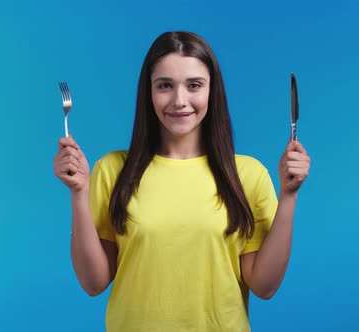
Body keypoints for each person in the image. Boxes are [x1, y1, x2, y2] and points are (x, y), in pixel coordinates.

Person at [53, 31, 311, 331]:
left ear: (212, 91)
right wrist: (78, 193)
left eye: (194, 85)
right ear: (148, 93)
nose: (180, 100)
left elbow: (264, 286)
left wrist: (289, 195)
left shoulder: (248, 175)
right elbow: (93, 282)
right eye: (165, 85)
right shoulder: (113, 170)